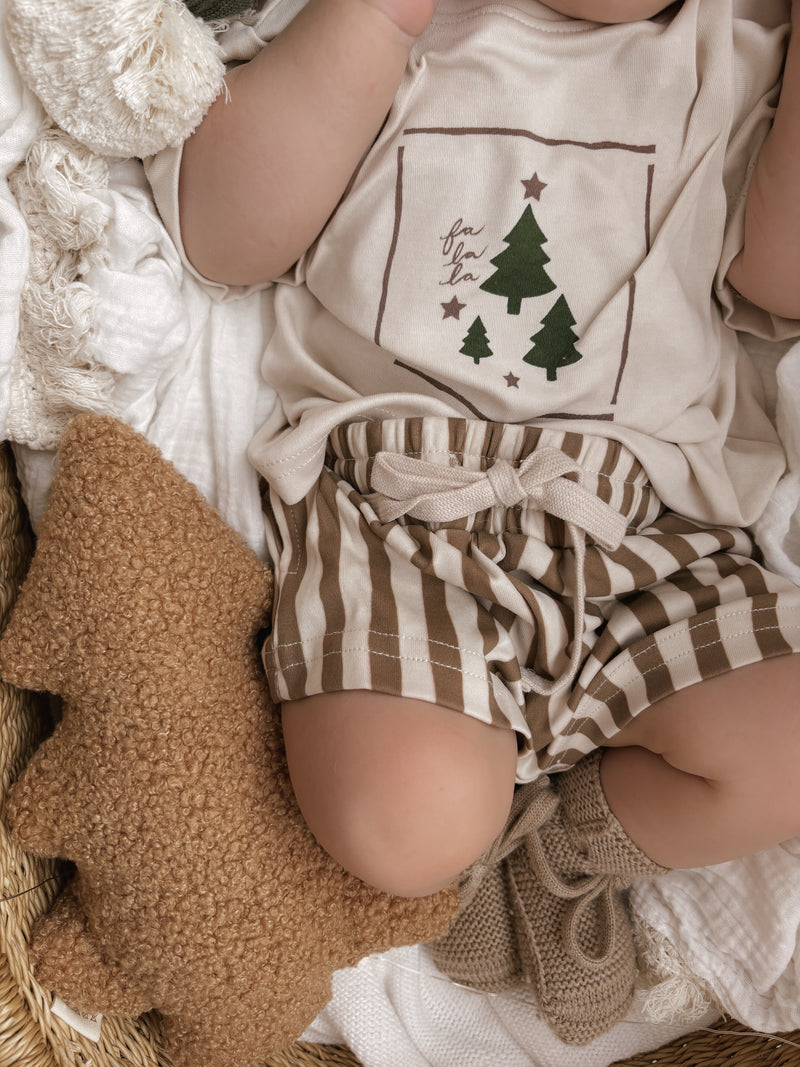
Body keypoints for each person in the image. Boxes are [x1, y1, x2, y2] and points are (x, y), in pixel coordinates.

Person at [154, 0, 800, 1042]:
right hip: (405, 508)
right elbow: (218, 238)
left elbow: (778, 276)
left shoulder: (734, 35)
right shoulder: (394, 22)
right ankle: (475, 827)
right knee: (405, 817)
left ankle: (568, 848)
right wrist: (374, 21)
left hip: (645, 529)